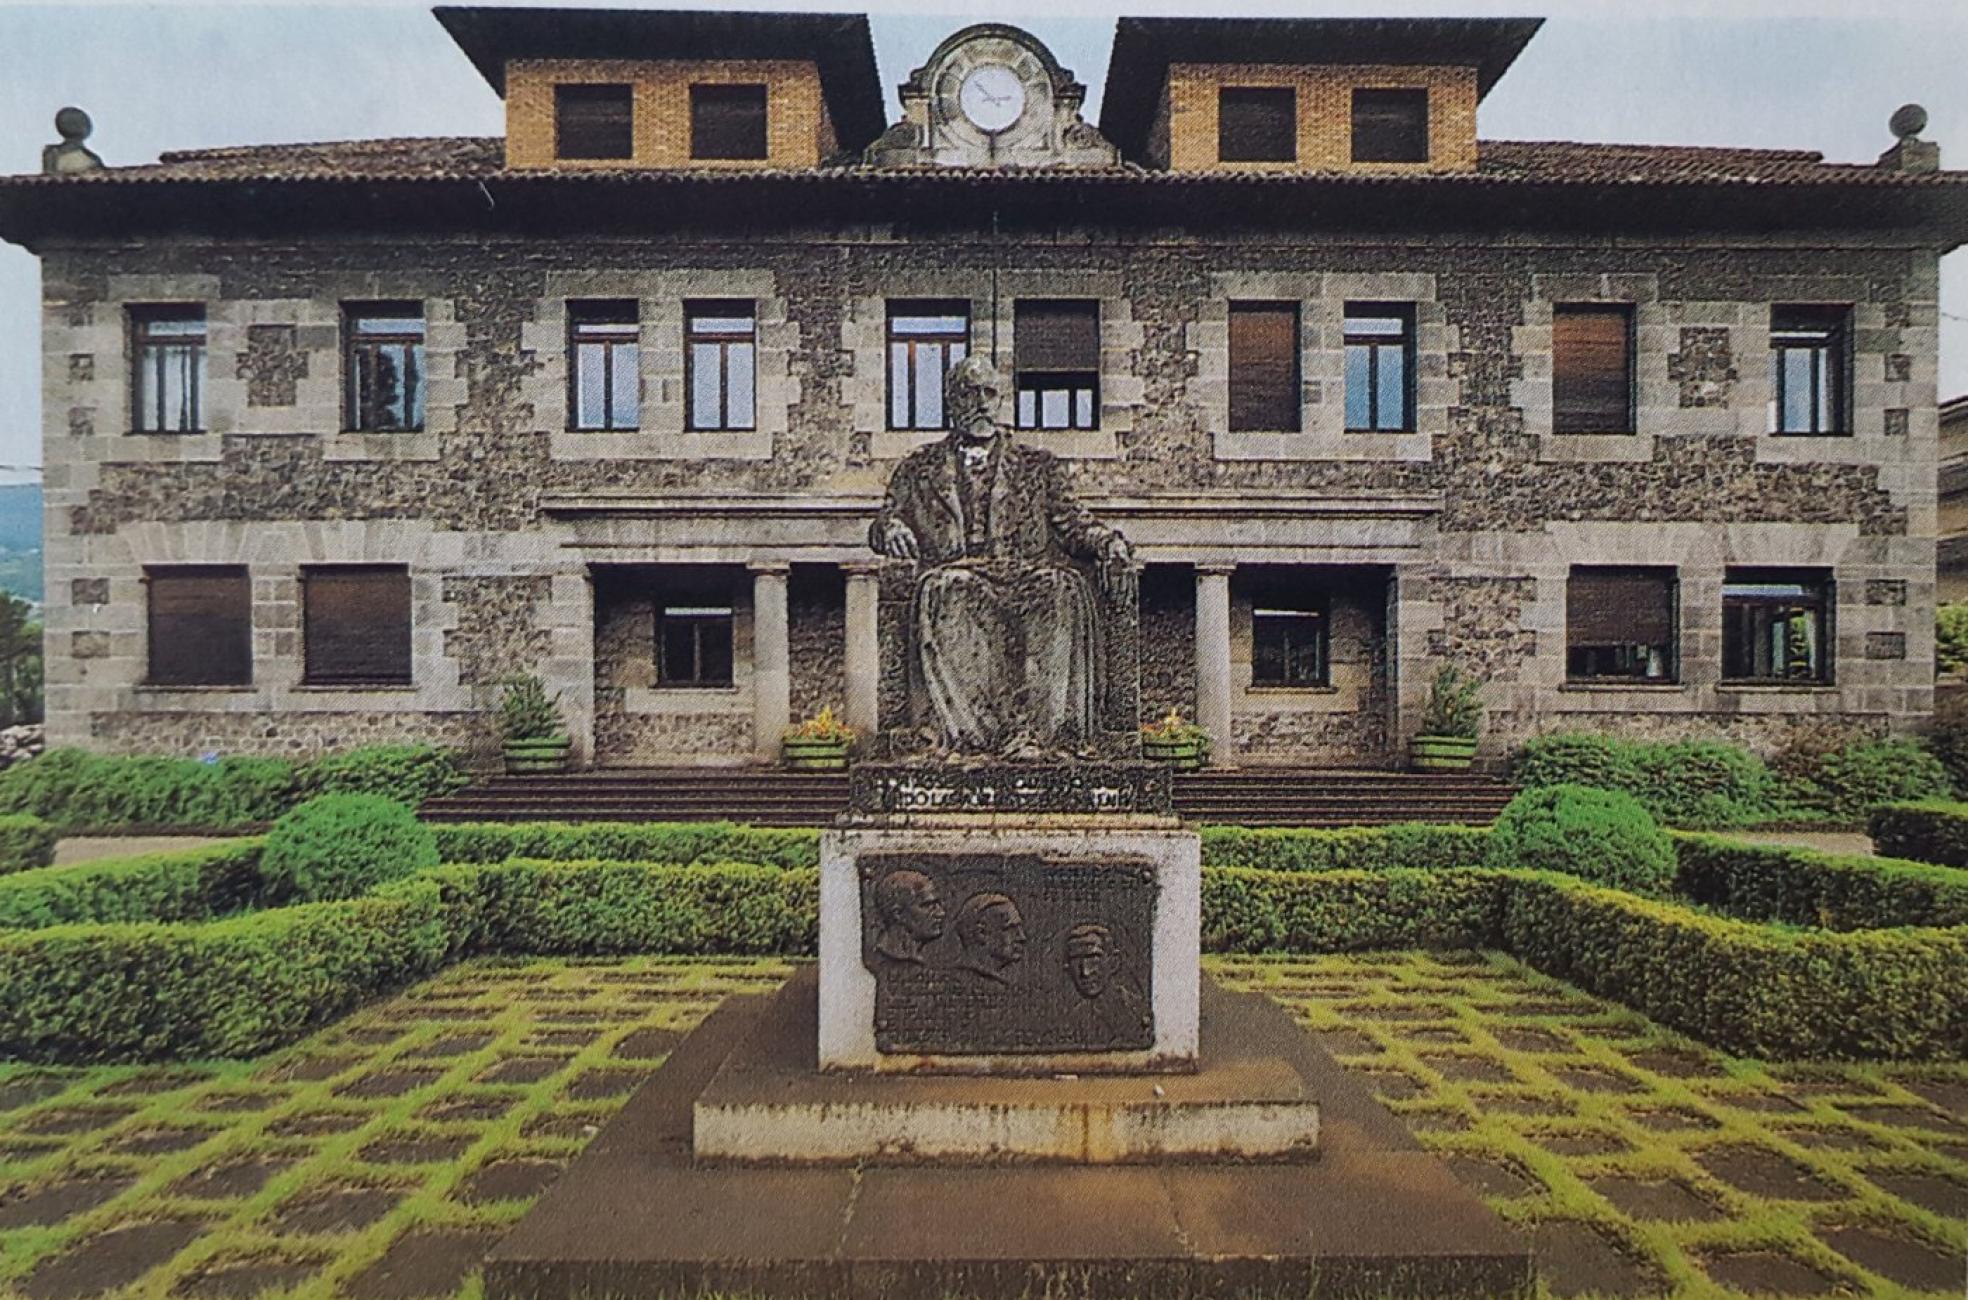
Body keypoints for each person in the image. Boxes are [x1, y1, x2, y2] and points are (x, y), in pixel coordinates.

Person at [869, 356, 1134, 757]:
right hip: (959, 573)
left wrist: (1109, 542)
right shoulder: (917, 467)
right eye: (968, 393)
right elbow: (884, 520)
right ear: (950, 401)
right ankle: (966, 735)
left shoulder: (1038, 465)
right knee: (946, 589)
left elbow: (1073, 523)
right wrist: (891, 528)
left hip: (1023, 573)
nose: (980, 402)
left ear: (1001, 400)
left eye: (989, 393)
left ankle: (1039, 735)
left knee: (1061, 587)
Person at [870, 867, 945, 965]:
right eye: (927, 906)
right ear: (898, 914)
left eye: (937, 904)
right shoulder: (880, 961)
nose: (941, 913)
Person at [952, 891, 1027, 984]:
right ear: (981, 933)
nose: (1022, 937)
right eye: (1010, 929)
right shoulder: (956, 981)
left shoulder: (1001, 984)